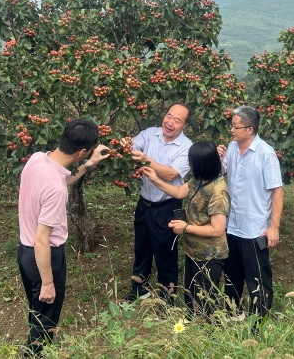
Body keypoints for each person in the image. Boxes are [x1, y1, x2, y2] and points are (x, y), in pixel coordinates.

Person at [17, 119, 110, 356]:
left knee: (37, 311)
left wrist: (90, 163)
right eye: (86, 153)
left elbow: (64, 178)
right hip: (44, 256)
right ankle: (35, 353)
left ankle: (38, 347)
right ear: (81, 151)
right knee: (45, 320)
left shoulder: (37, 159)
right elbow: (42, 239)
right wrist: (48, 282)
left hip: (25, 254)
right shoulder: (55, 192)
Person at [141, 141, 230, 319]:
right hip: (193, 251)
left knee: (207, 302)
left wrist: (186, 227)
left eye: (191, 162)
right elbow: (179, 192)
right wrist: (155, 179)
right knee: (191, 295)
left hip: (209, 256)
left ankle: (210, 335)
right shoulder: (199, 180)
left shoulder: (218, 192)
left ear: (201, 164)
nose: (188, 165)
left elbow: (217, 230)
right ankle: (191, 329)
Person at [122, 103, 193, 303]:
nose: (169, 123)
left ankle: (166, 296)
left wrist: (145, 159)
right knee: (142, 247)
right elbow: (131, 147)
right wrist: (125, 146)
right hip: (145, 204)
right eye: (168, 116)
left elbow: (170, 174)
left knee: (165, 252)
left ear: (185, 125)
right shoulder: (149, 134)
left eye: (177, 120)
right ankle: (139, 288)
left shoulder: (187, 147)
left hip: (167, 207)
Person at [217, 105, 284, 318]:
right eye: (232, 126)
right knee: (232, 274)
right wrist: (220, 159)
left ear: (250, 130)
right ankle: (233, 314)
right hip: (232, 224)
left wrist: (273, 228)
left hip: (254, 228)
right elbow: (224, 171)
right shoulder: (233, 148)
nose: (232, 130)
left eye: (236, 127)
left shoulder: (266, 154)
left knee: (257, 278)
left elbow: (277, 192)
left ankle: (258, 320)